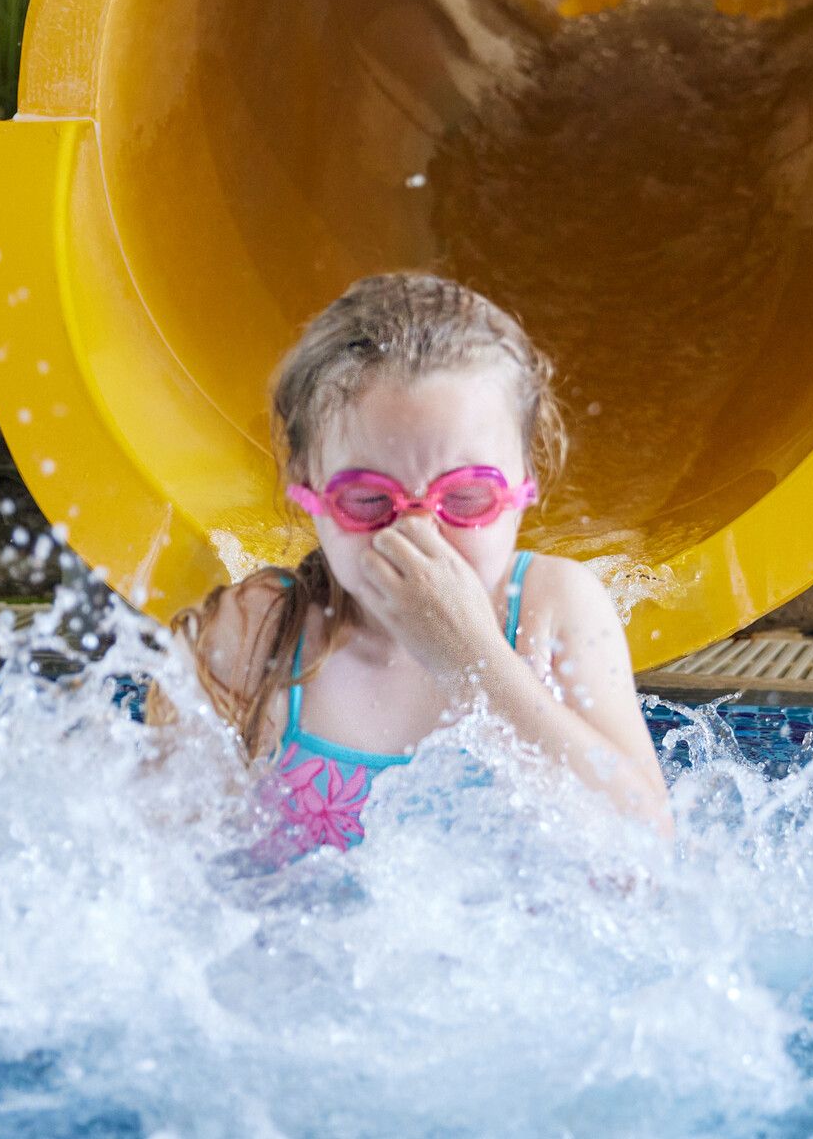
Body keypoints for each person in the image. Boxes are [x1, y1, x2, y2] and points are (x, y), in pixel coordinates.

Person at [161, 272, 672, 860]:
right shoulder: (261, 634)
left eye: (467, 497)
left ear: (525, 480)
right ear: (308, 487)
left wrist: (473, 659)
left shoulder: (553, 610)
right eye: (370, 501)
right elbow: (160, 885)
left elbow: (644, 857)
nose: (418, 532)